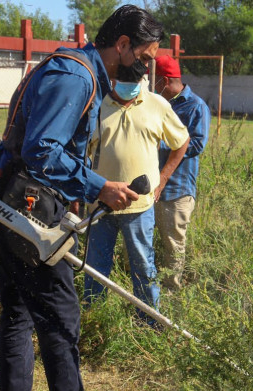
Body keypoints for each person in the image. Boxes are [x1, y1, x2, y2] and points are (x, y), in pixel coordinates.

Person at [0, 4, 163, 391]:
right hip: (29, 204)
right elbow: (43, 151)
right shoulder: (77, 77)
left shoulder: (73, 68)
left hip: (13, 196)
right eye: (143, 55)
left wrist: (82, 187)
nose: (146, 66)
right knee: (61, 315)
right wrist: (98, 184)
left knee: (20, 309)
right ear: (120, 45)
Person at [82, 71, 189, 322]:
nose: (131, 84)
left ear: (144, 78)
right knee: (95, 267)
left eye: (136, 78)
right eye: (124, 77)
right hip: (100, 204)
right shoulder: (97, 105)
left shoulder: (157, 104)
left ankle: (149, 322)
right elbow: (81, 151)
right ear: (113, 78)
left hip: (139, 206)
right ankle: (92, 320)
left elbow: (181, 141)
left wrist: (162, 179)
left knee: (143, 265)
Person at [153, 54, 211, 290]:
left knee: (173, 245)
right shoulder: (159, 102)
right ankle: (148, 288)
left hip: (177, 190)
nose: (152, 86)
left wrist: (160, 144)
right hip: (153, 187)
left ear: (165, 80)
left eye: (155, 80)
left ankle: (171, 293)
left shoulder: (195, 105)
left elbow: (197, 144)